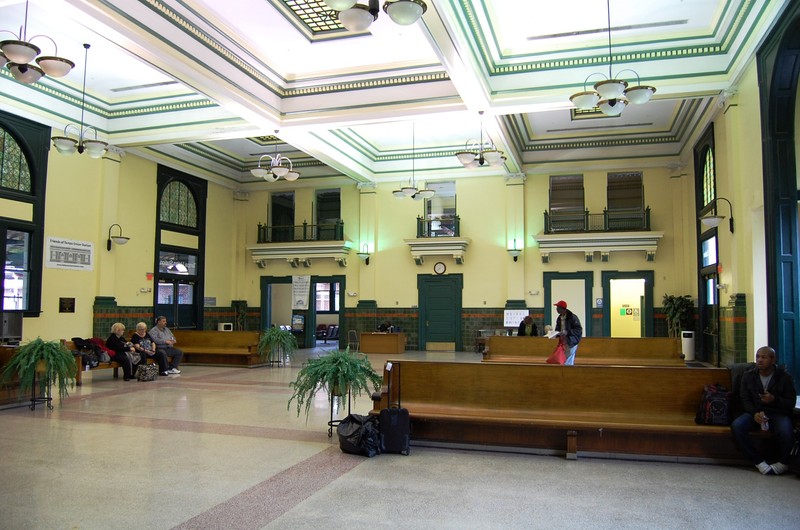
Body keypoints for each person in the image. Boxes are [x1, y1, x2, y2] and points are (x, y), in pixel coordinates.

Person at [730, 346, 796, 475]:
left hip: (777, 412)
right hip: (756, 412)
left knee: (786, 431)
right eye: (757, 357)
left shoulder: (784, 377)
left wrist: (774, 399)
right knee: (737, 426)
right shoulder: (748, 375)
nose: (759, 360)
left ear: (773, 360)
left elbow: (790, 402)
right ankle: (758, 461)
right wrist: (754, 413)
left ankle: (783, 462)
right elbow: (745, 399)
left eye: (764, 357)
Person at [554, 300, 582, 365]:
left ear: (562, 308)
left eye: (558, 307)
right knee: (563, 359)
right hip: (563, 342)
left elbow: (578, 329)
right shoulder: (559, 318)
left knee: (569, 360)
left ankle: (568, 372)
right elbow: (558, 329)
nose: (556, 309)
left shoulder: (572, 317)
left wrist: (567, 332)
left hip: (572, 341)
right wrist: (555, 334)